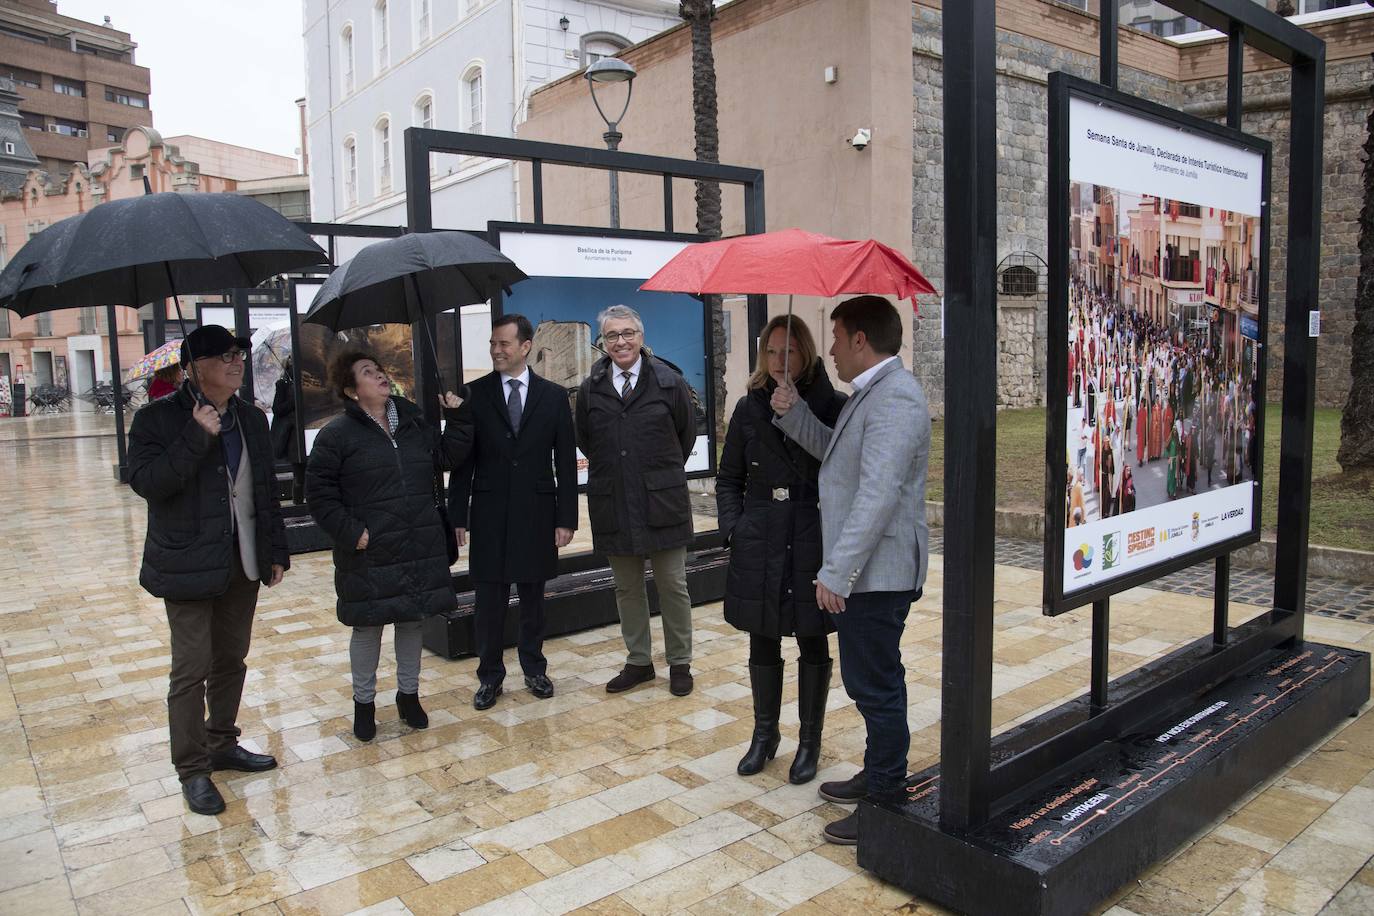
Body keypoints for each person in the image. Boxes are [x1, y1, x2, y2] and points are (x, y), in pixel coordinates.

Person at [771, 295, 931, 846]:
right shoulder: (873, 395)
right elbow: (838, 463)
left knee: (875, 685)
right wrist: (792, 412)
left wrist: (837, 571)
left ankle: (886, 798)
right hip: (869, 571)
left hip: (876, 574)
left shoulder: (895, 400)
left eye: (836, 337)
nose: (832, 349)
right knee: (871, 681)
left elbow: (878, 495)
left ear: (861, 339)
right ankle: (877, 774)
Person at [127, 326, 289, 816]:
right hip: (186, 564)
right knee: (191, 668)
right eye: (224, 356)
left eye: (239, 354)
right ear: (196, 367)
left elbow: (264, 490)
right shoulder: (157, 420)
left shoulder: (250, 419)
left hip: (242, 560)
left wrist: (275, 550)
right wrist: (196, 436)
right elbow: (148, 483)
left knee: (231, 659)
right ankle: (192, 769)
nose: (237, 362)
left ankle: (222, 742)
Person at [306, 351, 470, 743]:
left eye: (378, 369)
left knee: (412, 620)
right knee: (367, 627)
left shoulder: (413, 421)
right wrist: (351, 532)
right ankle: (364, 705)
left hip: (418, 541)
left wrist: (459, 417)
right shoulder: (336, 435)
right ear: (351, 390)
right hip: (369, 548)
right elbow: (319, 494)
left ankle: (408, 696)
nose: (379, 376)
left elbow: (447, 456)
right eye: (367, 372)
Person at [717, 316, 846, 784]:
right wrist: (735, 528)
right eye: (771, 352)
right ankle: (764, 735)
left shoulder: (833, 405)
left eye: (788, 351)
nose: (778, 361)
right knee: (762, 635)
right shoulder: (749, 407)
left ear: (805, 353)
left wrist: (798, 413)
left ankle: (809, 742)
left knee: (812, 637)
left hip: (812, 536)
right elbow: (729, 477)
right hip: (762, 536)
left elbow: (839, 466)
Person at [448, 314, 577, 711]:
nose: (496, 351)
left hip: (538, 513)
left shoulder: (554, 397)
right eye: (492, 344)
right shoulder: (474, 395)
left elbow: (565, 464)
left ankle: (534, 669)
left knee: (534, 599)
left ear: (525, 347)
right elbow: (463, 464)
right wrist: (458, 517)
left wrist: (566, 518)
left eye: (504, 344)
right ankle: (489, 677)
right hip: (488, 513)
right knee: (489, 602)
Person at [575, 305, 698, 697]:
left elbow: (685, 436)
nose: (621, 341)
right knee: (626, 588)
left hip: (662, 501)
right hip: (615, 501)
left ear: (641, 337)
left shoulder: (669, 382)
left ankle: (679, 662)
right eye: (612, 335)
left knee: (673, 584)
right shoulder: (590, 388)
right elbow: (586, 440)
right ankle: (639, 662)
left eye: (628, 333)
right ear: (603, 343)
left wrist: (655, 473)